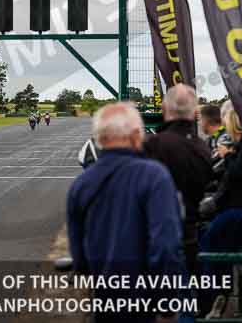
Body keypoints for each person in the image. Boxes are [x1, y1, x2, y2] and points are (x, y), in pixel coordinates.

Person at [67, 102, 185, 323]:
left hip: (105, 300)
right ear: (135, 135)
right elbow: (166, 245)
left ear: (100, 138)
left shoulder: (80, 184)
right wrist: (168, 303)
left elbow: (79, 256)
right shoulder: (154, 176)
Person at [198, 108, 242, 317]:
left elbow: (238, 173)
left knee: (208, 248)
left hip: (241, 210)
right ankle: (220, 291)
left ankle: (210, 298)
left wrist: (226, 155)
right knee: (220, 249)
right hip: (237, 208)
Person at [143, 84, 214, 278]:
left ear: (164, 109)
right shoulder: (203, 149)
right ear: (194, 113)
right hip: (190, 233)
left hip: (156, 236)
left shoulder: (153, 145)